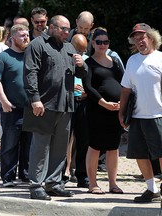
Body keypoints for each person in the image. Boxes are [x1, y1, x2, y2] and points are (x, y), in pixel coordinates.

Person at [23, 15, 88, 200]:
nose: (67, 32)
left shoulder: (69, 47)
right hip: (44, 105)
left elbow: (81, 74)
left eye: (68, 29)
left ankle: (53, 183)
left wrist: (82, 65)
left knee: (60, 148)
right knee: (40, 147)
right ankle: (36, 185)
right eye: (63, 29)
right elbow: (30, 72)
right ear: (51, 27)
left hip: (66, 105)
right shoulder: (37, 45)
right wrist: (35, 99)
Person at [119, 23, 162, 203]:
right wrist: (121, 113)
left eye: (142, 37)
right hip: (137, 116)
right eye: (136, 39)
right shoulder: (132, 60)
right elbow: (126, 89)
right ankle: (152, 189)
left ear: (151, 38)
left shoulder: (160, 58)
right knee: (139, 154)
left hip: (158, 115)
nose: (139, 42)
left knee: (161, 154)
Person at [83, 28, 124, 194]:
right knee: (95, 146)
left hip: (115, 110)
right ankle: (92, 183)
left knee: (114, 147)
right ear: (93, 43)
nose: (102, 45)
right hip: (97, 110)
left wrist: (123, 102)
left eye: (105, 42)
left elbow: (124, 83)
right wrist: (103, 102)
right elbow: (88, 87)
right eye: (99, 42)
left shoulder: (115, 63)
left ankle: (113, 183)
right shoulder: (89, 63)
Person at [0, 24, 32, 187]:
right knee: (10, 144)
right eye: (22, 35)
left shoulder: (31, 56)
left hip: (30, 108)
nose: (26, 38)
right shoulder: (4, 57)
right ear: (13, 38)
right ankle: (8, 177)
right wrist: (4, 101)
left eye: (27, 35)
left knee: (28, 144)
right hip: (11, 109)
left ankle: (25, 174)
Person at [62, 34, 90, 188]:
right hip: (68, 101)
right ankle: (62, 173)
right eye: (78, 50)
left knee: (83, 140)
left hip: (83, 101)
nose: (81, 54)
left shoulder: (86, 60)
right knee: (64, 139)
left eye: (83, 51)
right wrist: (71, 88)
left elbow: (91, 81)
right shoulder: (64, 57)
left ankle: (82, 175)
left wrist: (87, 91)